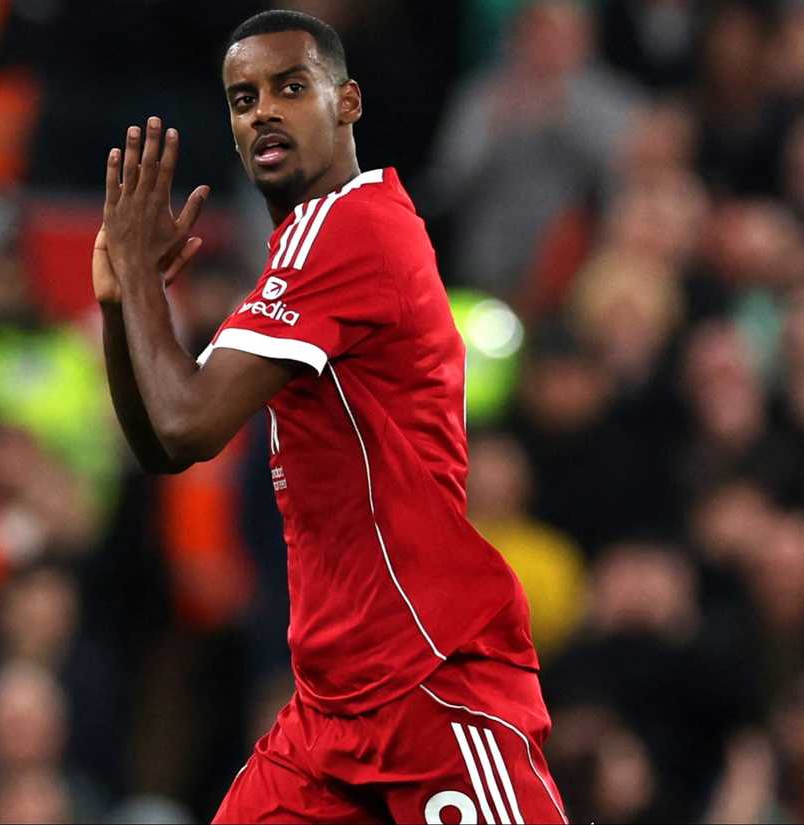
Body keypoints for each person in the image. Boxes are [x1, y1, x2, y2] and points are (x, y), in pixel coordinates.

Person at [92, 10, 563, 823]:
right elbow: (164, 446)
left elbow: (184, 422)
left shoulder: (348, 230)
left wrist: (140, 281)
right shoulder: (301, 255)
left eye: (290, 87)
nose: (263, 112)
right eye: (244, 99)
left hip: (430, 685)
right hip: (331, 709)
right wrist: (119, 301)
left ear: (347, 102)